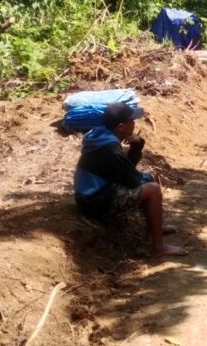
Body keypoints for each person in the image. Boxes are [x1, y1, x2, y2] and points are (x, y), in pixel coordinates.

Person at [74, 102, 186, 257]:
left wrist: (136, 147)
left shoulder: (102, 137)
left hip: (95, 194)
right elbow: (132, 179)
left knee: (147, 179)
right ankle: (159, 247)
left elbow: (125, 170)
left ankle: (155, 227)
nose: (134, 123)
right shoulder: (109, 148)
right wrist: (143, 173)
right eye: (131, 121)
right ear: (121, 127)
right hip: (95, 202)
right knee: (152, 189)